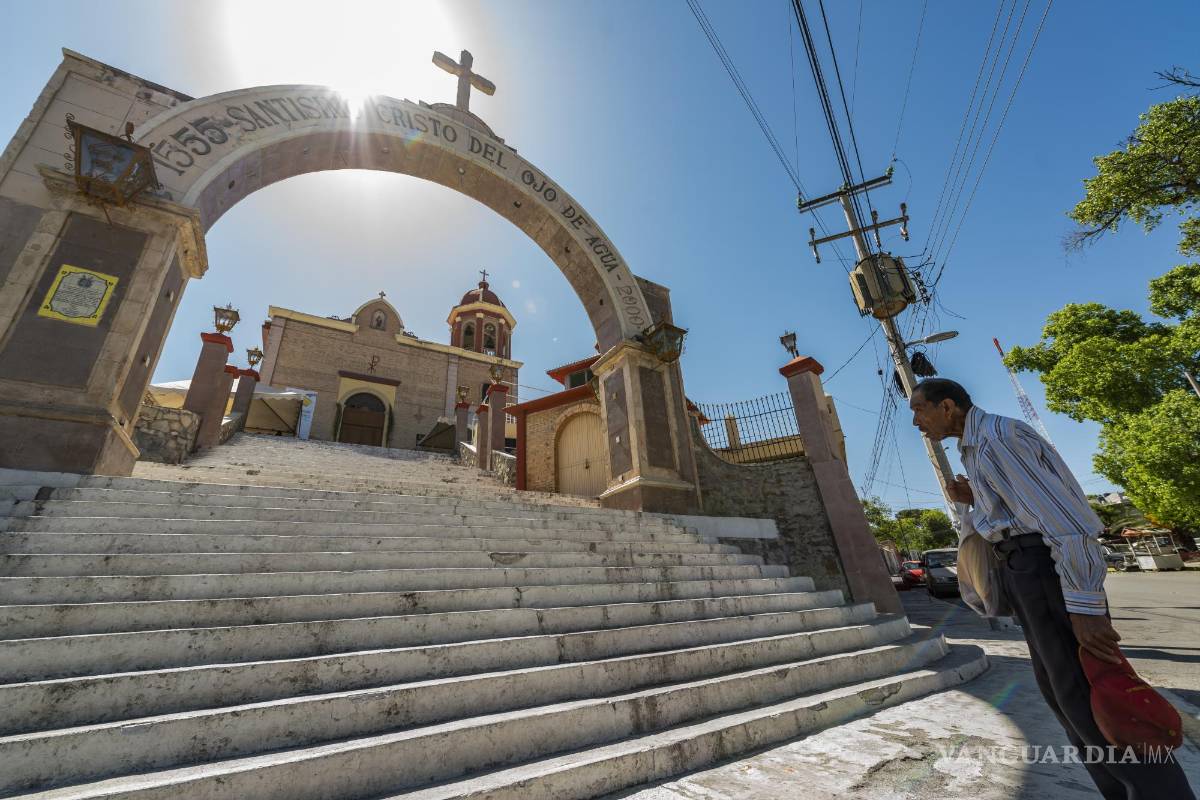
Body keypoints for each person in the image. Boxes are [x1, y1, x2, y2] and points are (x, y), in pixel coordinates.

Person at [908, 378, 1195, 800]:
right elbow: (1017, 512)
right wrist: (974, 497)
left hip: (1046, 572)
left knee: (1095, 697)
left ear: (947, 406)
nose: (917, 422)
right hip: (1027, 572)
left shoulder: (997, 439)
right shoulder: (977, 445)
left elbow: (1065, 523)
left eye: (920, 410)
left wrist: (1084, 605)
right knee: (1067, 700)